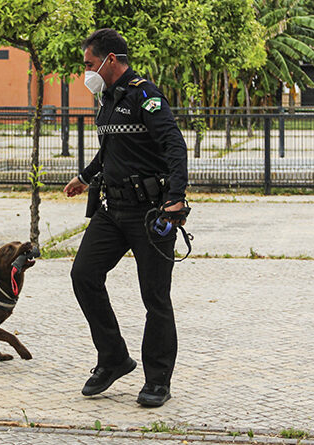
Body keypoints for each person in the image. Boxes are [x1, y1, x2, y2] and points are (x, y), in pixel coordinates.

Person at [63, 28, 188, 408]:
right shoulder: (106, 98)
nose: (86, 71)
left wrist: (176, 198)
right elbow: (110, 149)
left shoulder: (145, 95)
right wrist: (85, 177)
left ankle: (157, 380)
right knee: (83, 275)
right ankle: (114, 357)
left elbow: (174, 145)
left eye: (89, 64)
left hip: (150, 213)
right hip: (112, 210)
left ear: (110, 60)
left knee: (154, 297)